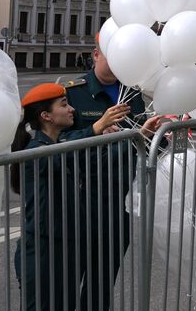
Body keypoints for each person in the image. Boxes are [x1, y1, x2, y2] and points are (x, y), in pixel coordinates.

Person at [64, 40, 164, 311]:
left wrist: (160, 133)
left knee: (103, 281)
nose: (120, 62)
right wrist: (97, 129)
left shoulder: (130, 93)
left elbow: (143, 142)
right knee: (67, 282)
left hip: (118, 198)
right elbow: (55, 142)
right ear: (96, 55)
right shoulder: (74, 93)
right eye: (113, 56)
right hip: (81, 200)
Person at [11, 83, 125, 311]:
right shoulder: (37, 150)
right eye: (64, 105)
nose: (71, 109)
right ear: (46, 116)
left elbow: (84, 152)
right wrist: (96, 127)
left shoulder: (57, 144)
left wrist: (141, 134)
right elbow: (62, 152)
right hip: (44, 254)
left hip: (64, 250)